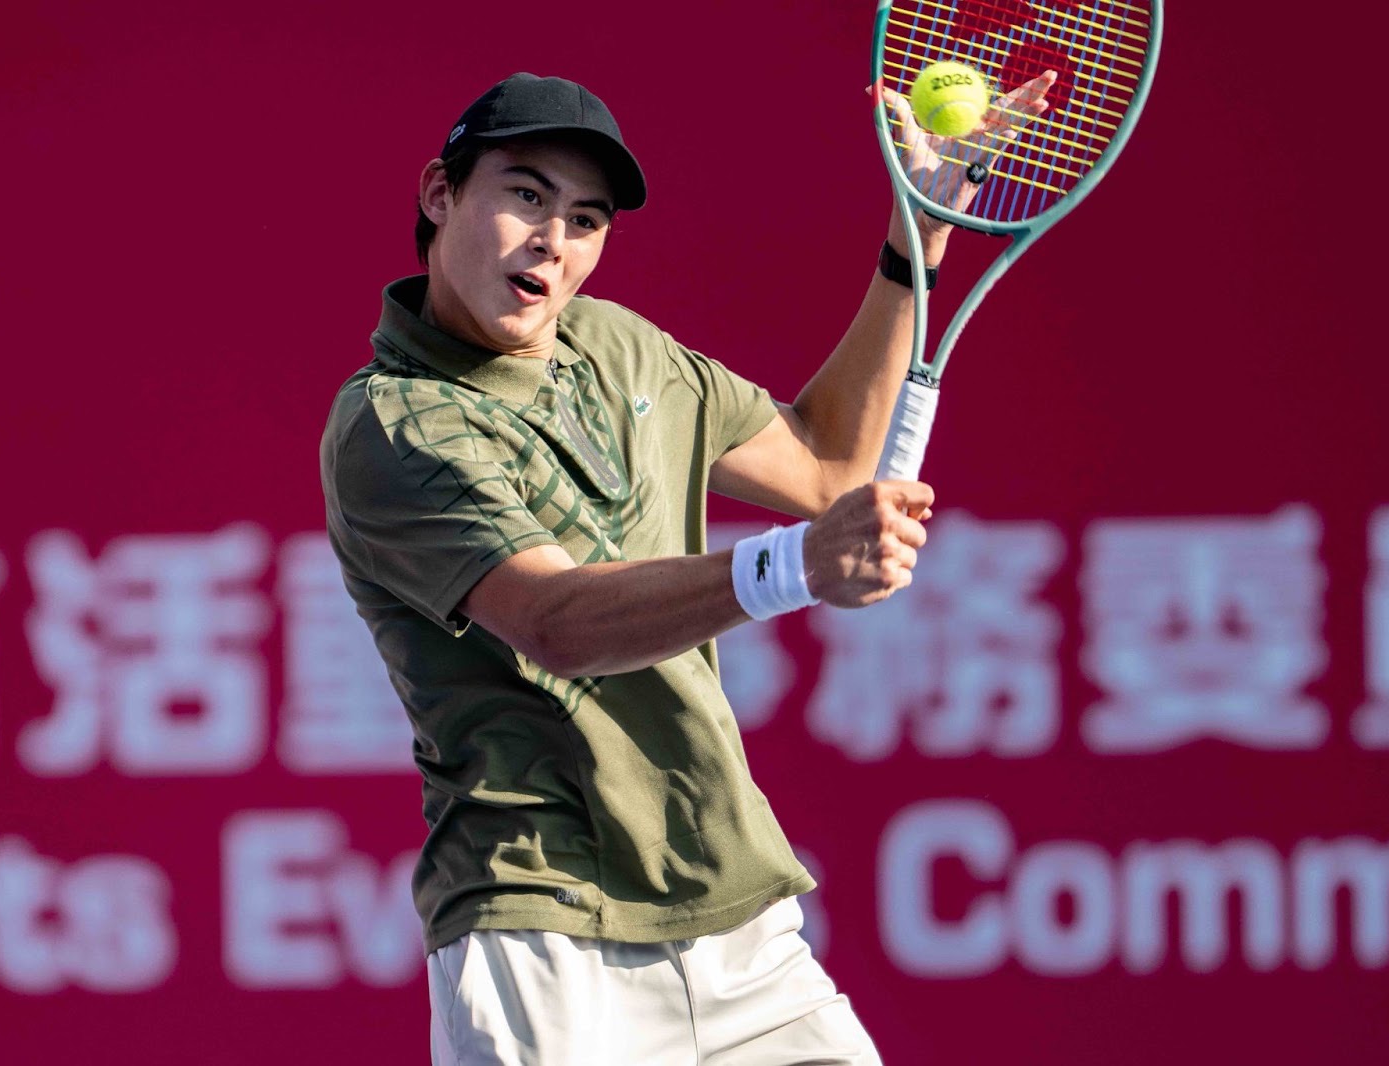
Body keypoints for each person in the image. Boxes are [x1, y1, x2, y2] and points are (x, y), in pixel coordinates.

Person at [321, 70, 1050, 1065]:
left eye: (586, 220)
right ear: (440, 194)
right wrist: (797, 565)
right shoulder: (394, 423)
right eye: (526, 195)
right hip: (543, 925)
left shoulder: (620, 348)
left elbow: (826, 462)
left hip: (733, 914)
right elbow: (557, 622)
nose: (553, 239)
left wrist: (916, 236)